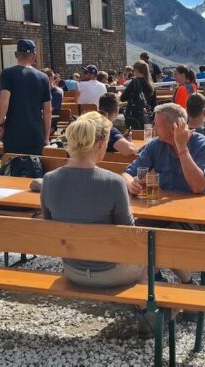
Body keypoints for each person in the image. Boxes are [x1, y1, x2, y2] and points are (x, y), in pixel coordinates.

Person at [41, 111, 141, 287]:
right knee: (150, 257)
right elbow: (128, 235)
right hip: (111, 272)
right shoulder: (113, 182)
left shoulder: (49, 179)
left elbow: (49, 226)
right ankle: (148, 308)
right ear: (102, 143)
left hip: (72, 270)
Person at [123, 103, 205, 196]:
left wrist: (182, 148)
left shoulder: (204, 145)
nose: (153, 129)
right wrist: (131, 184)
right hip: (162, 207)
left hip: (197, 207)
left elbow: (198, 187)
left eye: (157, 125)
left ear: (174, 127)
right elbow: (127, 174)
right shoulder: (155, 145)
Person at [0, 39, 51, 155]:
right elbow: (47, 111)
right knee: (35, 169)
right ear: (34, 56)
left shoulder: (7, 73)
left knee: (14, 168)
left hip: (14, 132)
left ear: (16, 54)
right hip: (36, 133)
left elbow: (4, 101)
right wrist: (46, 137)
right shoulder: (43, 77)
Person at [120, 61, 156, 130]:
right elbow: (153, 102)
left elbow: (123, 98)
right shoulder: (150, 83)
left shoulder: (134, 82)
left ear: (136, 70)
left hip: (134, 114)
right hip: (147, 116)